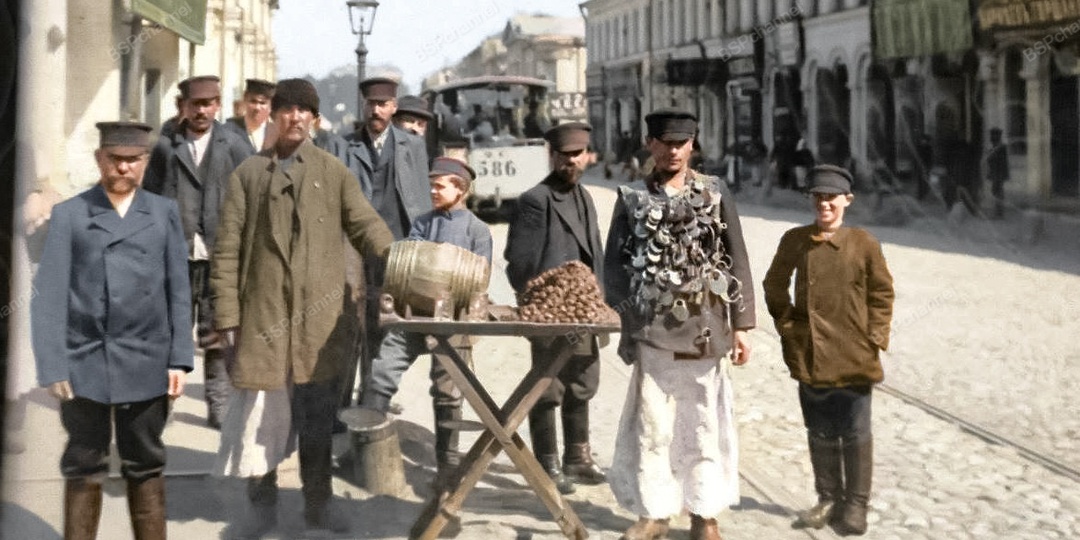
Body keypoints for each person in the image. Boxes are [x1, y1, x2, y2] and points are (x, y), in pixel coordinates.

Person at [211, 78, 395, 536]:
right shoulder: (249, 175)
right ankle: (261, 506)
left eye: (303, 111)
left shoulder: (333, 172)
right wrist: (229, 319)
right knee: (261, 423)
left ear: (314, 119)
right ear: (274, 115)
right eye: (286, 109)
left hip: (318, 324)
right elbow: (227, 252)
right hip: (265, 321)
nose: (294, 118)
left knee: (317, 420)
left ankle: (319, 505)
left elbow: (366, 225)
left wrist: (402, 259)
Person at [31, 121, 193, 540]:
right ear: (99, 160)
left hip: (147, 360)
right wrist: (52, 365)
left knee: (145, 463)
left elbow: (179, 289)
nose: (123, 169)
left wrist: (179, 358)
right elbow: (49, 295)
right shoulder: (71, 214)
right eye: (114, 160)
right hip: (86, 361)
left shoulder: (163, 213)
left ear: (144, 162)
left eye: (132, 160)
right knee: (84, 463)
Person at [604, 108, 756, 540]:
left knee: (704, 423)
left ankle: (705, 514)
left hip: (706, 331)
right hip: (653, 332)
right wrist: (627, 320)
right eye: (664, 142)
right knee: (654, 424)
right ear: (650, 144)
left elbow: (737, 258)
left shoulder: (714, 192)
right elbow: (613, 265)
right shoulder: (632, 196)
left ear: (692, 145)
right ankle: (655, 511)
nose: (673, 150)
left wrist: (742, 325)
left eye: (681, 143)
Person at [762, 164, 895, 536]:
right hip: (811, 354)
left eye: (831, 198)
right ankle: (827, 497)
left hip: (855, 356)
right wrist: (788, 327)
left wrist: (875, 335)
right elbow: (774, 285)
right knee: (819, 430)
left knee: (854, 431)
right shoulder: (795, 240)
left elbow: (882, 293)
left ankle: (855, 505)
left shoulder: (864, 244)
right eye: (818, 197)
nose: (824, 205)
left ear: (847, 201)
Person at [360, 156, 492, 488]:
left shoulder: (477, 230)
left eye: (439, 185)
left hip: (453, 320)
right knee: (382, 371)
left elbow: (479, 280)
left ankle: (447, 466)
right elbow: (408, 262)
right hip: (414, 312)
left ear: (459, 189)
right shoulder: (422, 223)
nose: (432, 190)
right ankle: (366, 451)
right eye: (431, 184)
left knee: (448, 390)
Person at [143, 75, 254, 429]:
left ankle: (218, 406)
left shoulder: (234, 145)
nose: (202, 111)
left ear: (218, 106)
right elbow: (150, 197)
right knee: (169, 334)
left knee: (217, 335)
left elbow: (250, 200)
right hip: (175, 255)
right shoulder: (166, 146)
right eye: (195, 105)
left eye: (208, 104)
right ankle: (163, 404)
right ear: (184, 107)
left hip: (219, 258)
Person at [506, 122, 607, 495]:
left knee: (582, 379)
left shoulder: (586, 197)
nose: (571, 162)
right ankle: (547, 462)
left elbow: (594, 251)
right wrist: (542, 301)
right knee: (548, 385)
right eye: (564, 156)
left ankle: (577, 458)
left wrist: (595, 299)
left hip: (583, 311)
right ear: (553, 156)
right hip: (550, 311)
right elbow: (519, 260)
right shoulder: (536, 199)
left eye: (578, 155)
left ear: (587, 156)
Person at [344, 76, 432, 408]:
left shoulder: (412, 147)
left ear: (394, 108)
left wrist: (422, 247)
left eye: (382, 105)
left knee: (388, 323)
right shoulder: (346, 146)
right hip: (356, 252)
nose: (376, 111)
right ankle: (351, 400)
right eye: (370, 104)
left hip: (398, 250)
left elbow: (422, 201)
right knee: (355, 323)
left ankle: (374, 394)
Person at [223, 78, 278, 152]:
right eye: (253, 101)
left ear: (271, 105)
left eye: (262, 103)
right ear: (245, 100)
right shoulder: (227, 131)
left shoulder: (278, 134)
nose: (257, 108)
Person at [986, 128, 1009, 219]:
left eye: (993, 135)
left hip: (998, 174)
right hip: (996, 173)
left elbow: (996, 161)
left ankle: (998, 213)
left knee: (997, 192)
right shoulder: (997, 147)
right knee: (996, 191)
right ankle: (998, 212)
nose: (991, 138)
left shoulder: (1000, 147)